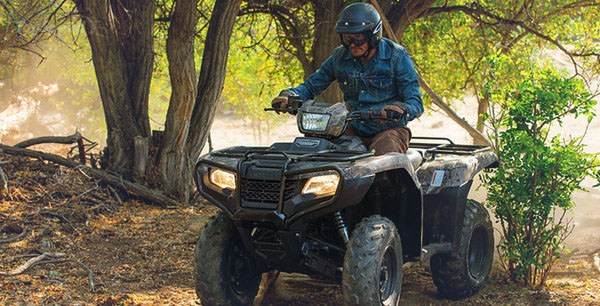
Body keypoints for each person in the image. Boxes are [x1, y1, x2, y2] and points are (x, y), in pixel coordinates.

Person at [271, 2, 423, 155]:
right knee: (317, 152)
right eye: (347, 38)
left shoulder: (396, 56)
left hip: (390, 130)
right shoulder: (340, 57)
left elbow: (415, 102)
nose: (352, 44)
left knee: (383, 156)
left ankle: (386, 179)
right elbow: (312, 85)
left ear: (373, 35)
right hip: (351, 128)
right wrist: (289, 96)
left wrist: (401, 109)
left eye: (358, 37)